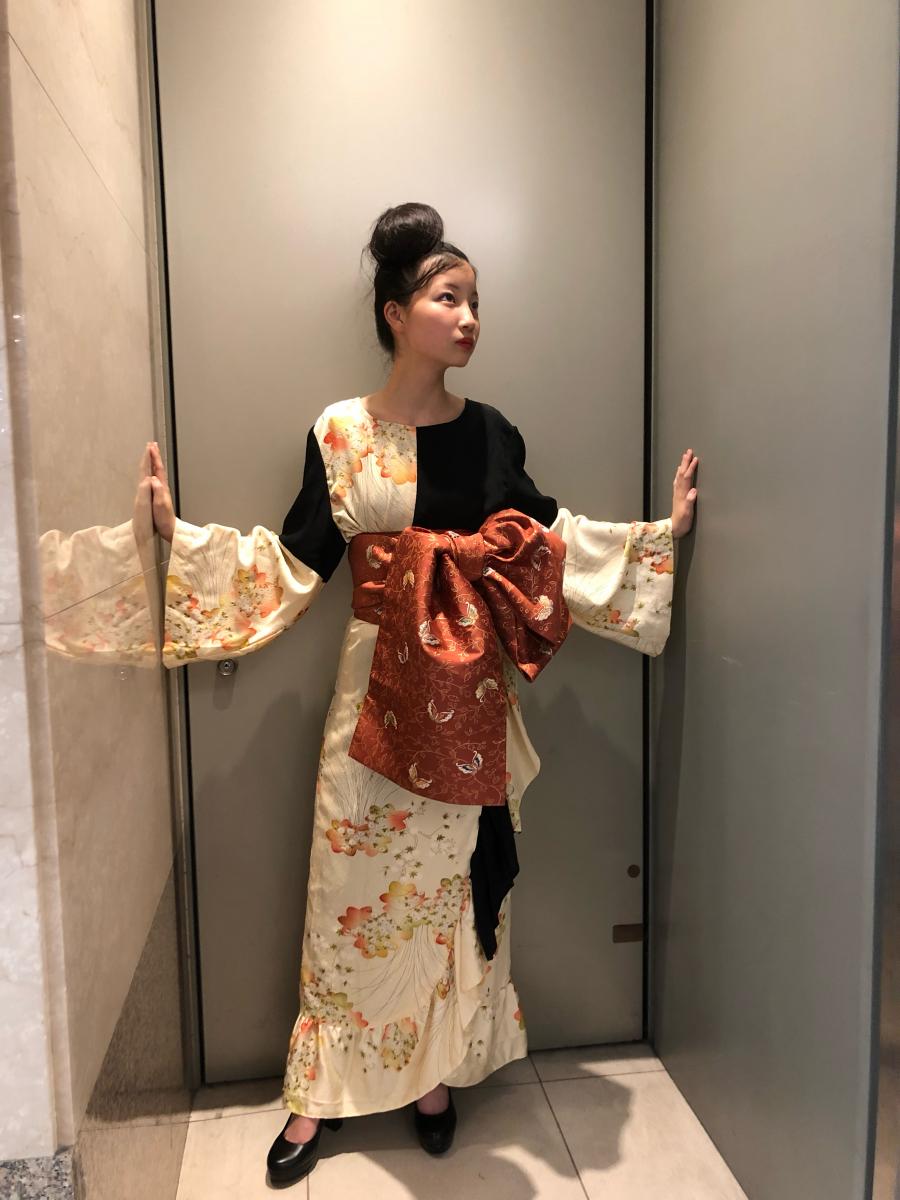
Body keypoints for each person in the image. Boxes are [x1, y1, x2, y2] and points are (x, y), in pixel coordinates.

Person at [148, 201, 698, 1186]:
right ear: (397, 314)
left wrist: (658, 540)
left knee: (448, 896)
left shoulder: (491, 435)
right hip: (372, 696)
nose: (469, 317)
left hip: (468, 703)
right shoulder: (340, 432)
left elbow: (548, 544)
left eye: (476, 300)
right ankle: (319, 1097)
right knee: (346, 891)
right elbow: (295, 559)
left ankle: (433, 1077)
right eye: (449, 298)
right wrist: (177, 542)